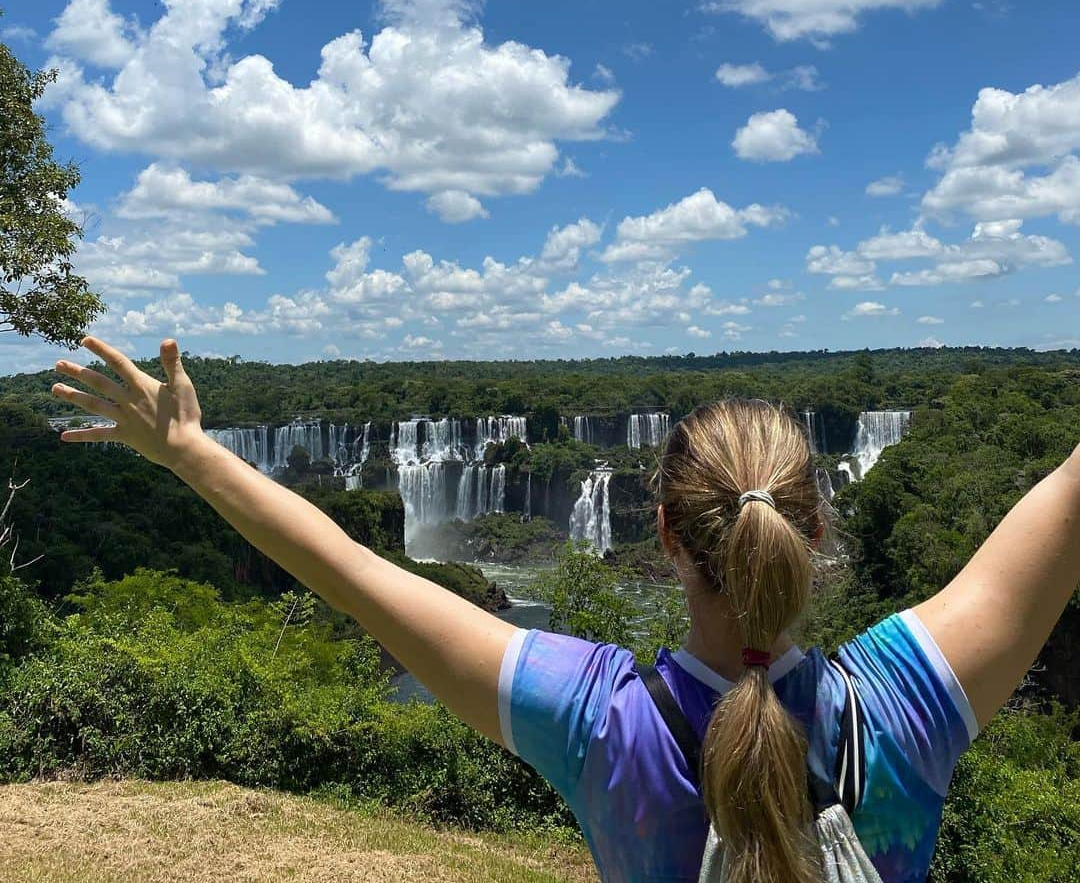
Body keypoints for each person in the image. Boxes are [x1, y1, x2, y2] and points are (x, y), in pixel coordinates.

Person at [53, 336, 1080, 883]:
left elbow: (351, 570)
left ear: (669, 538)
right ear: (816, 535)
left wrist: (190, 453)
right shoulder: (907, 705)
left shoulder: (599, 723)